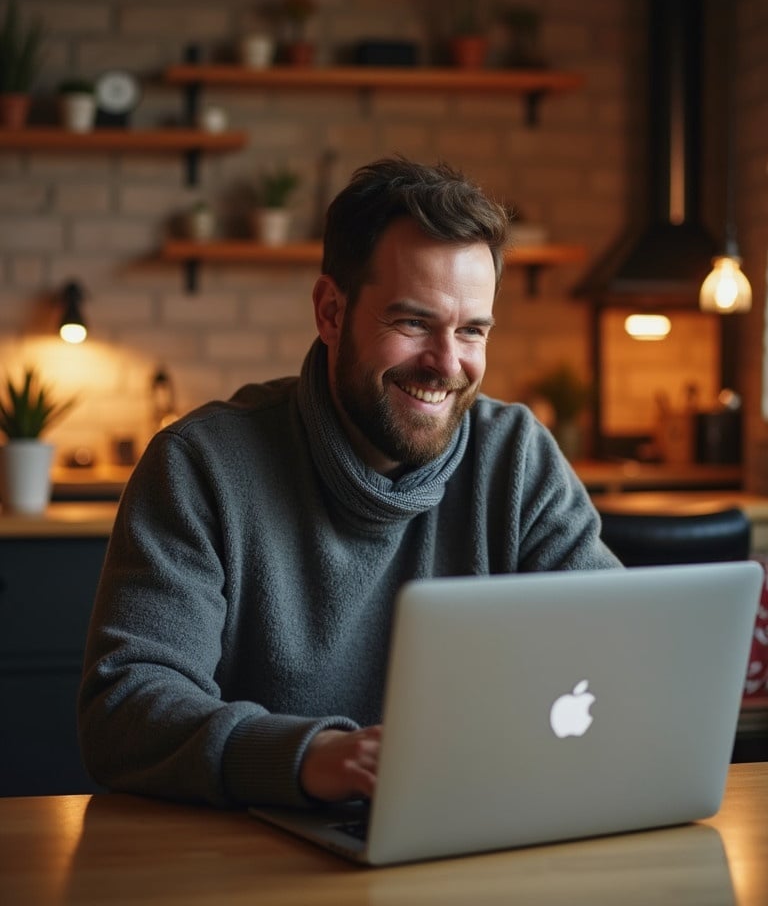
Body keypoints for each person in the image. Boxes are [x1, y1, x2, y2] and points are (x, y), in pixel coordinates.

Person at [78, 156, 622, 809]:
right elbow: (126, 710)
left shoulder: (517, 457)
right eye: (413, 322)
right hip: (256, 862)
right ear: (330, 312)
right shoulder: (200, 466)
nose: (446, 366)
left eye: (472, 331)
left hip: (476, 835)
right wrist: (308, 758)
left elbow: (616, 652)